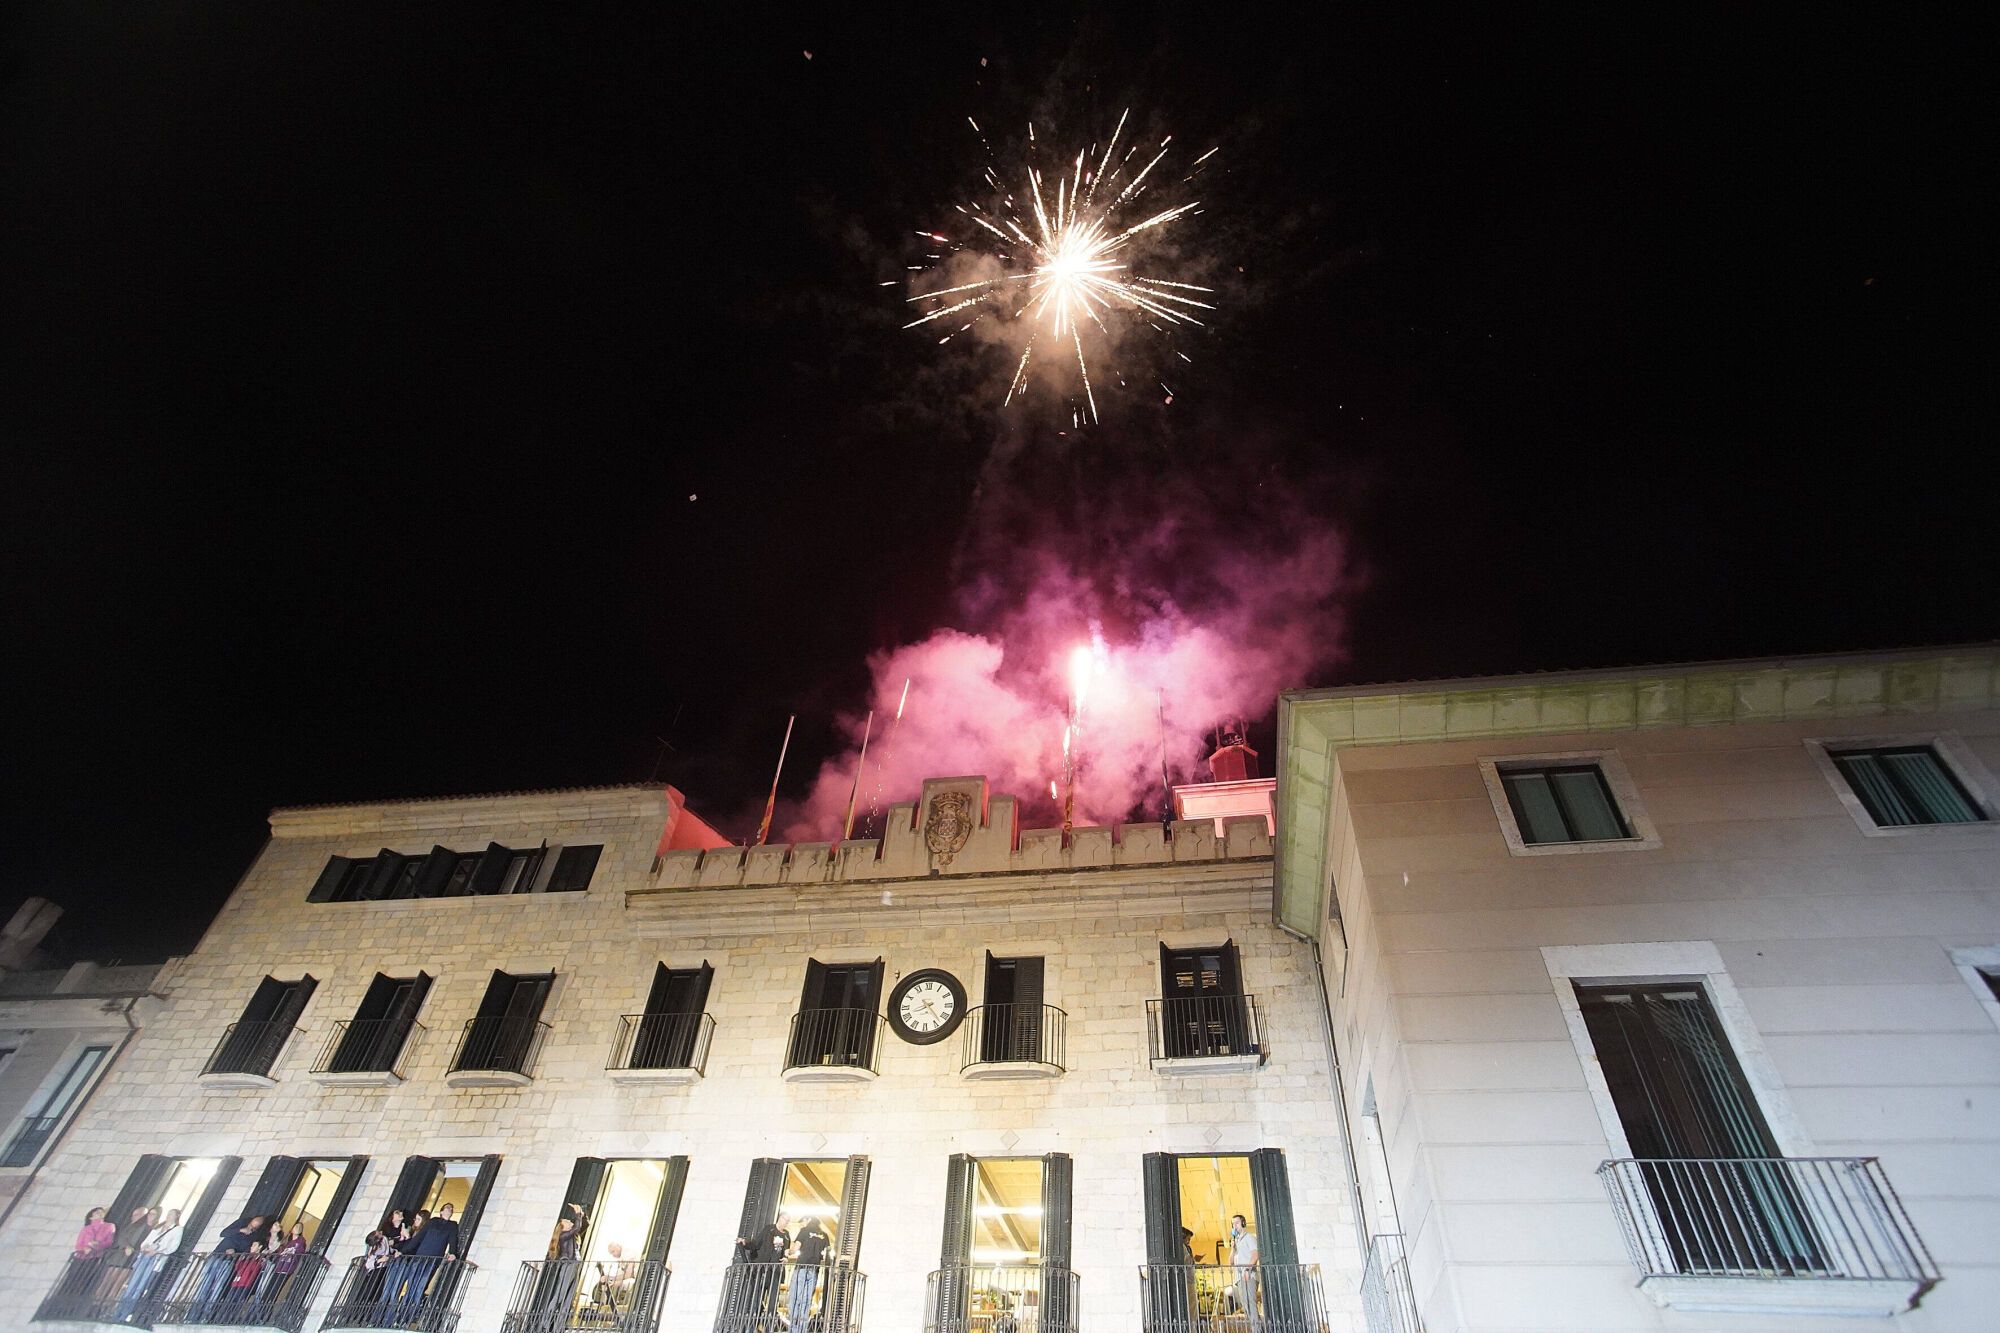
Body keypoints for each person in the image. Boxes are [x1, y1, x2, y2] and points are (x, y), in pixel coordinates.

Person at [389, 1202, 461, 1322]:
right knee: (412, 1286)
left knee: (420, 1287)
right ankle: (400, 1317)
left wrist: (453, 1253)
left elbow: (453, 1240)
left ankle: (410, 1317)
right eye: (447, 1208)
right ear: (441, 1211)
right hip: (420, 1257)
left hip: (433, 1260)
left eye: (451, 1209)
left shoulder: (452, 1225)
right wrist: (403, 1251)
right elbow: (419, 1237)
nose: (449, 1209)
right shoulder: (433, 1221)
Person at [192, 1214, 270, 1318]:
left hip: (228, 1262)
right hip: (217, 1255)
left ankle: (205, 1315)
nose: (255, 1224)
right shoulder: (241, 1223)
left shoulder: (254, 1237)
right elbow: (223, 1233)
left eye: (259, 1223)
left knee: (217, 1289)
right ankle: (193, 1314)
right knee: (204, 1286)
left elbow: (246, 1251)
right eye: (256, 1221)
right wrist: (240, 1230)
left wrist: (235, 1252)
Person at [114, 1208, 182, 1323]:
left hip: (156, 1259)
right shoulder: (158, 1227)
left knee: (140, 1287)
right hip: (145, 1256)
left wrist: (158, 1250)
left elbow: (173, 1246)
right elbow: (146, 1241)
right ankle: (118, 1312)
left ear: (176, 1217)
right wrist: (145, 1247)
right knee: (131, 1285)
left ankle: (125, 1314)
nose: (169, 1216)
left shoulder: (177, 1230)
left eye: (172, 1214)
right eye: (169, 1213)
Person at [789, 1215, 830, 1333]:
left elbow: (796, 1247)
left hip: (801, 1268)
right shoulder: (824, 1235)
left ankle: (794, 1329)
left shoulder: (804, 1231)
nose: (802, 1224)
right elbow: (826, 1252)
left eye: (802, 1222)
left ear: (808, 1220)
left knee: (795, 1298)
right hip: (814, 1270)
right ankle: (802, 1329)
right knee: (806, 1300)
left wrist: (788, 1251)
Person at [1228, 1215, 1260, 1330]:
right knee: (1246, 1306)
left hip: (1248, 1276)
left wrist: (1247, 1269)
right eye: (1233, 1224)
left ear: (1243, 1223)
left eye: (1236, 1223)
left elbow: (1255, 1255)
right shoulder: (1236, 1242)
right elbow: (1230, 1262)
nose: (1234, 1226)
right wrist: (1233, 1248)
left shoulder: (1250, 1238)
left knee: (1250, 1304)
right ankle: (1256, 1329)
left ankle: (1257, 1330)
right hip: (1239, 1278)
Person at [264, 1224, 307, 1301]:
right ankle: (262, 1305)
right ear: (292, 1229)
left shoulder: (300, 1241)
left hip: (287, 1268)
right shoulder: (287, 1242)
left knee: (275, 1290)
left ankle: (268, 1307)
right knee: (268, 1288)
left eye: (300, 1228)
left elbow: (300, 1251)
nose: (298, 1228)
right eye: (296, 1226)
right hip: (278, 1267)